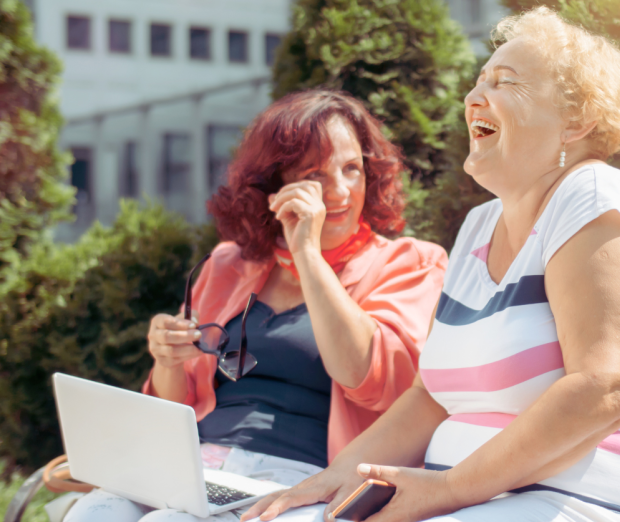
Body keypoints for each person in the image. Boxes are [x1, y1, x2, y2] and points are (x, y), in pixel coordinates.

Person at [240, 7, 620, 522]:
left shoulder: (595, 194)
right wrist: (336, 477)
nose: (472, 97)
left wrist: (449, 489)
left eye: (504, 82)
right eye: (478, 80)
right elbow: (430, 398)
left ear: (578, 121)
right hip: (489, 503)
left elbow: (605, 387)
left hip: (608, 502)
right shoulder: (479, 226)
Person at [62, 90, 448, 522]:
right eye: (315, 174)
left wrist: (307, 253)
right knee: (91, 514)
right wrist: (168, 360)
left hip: (303, 479)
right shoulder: (229, 264)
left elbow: (370, 377)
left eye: (352, 169)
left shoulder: (410, 262)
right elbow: (176, 407)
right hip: (199, 463)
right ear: (275, 186)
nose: (340, 191)